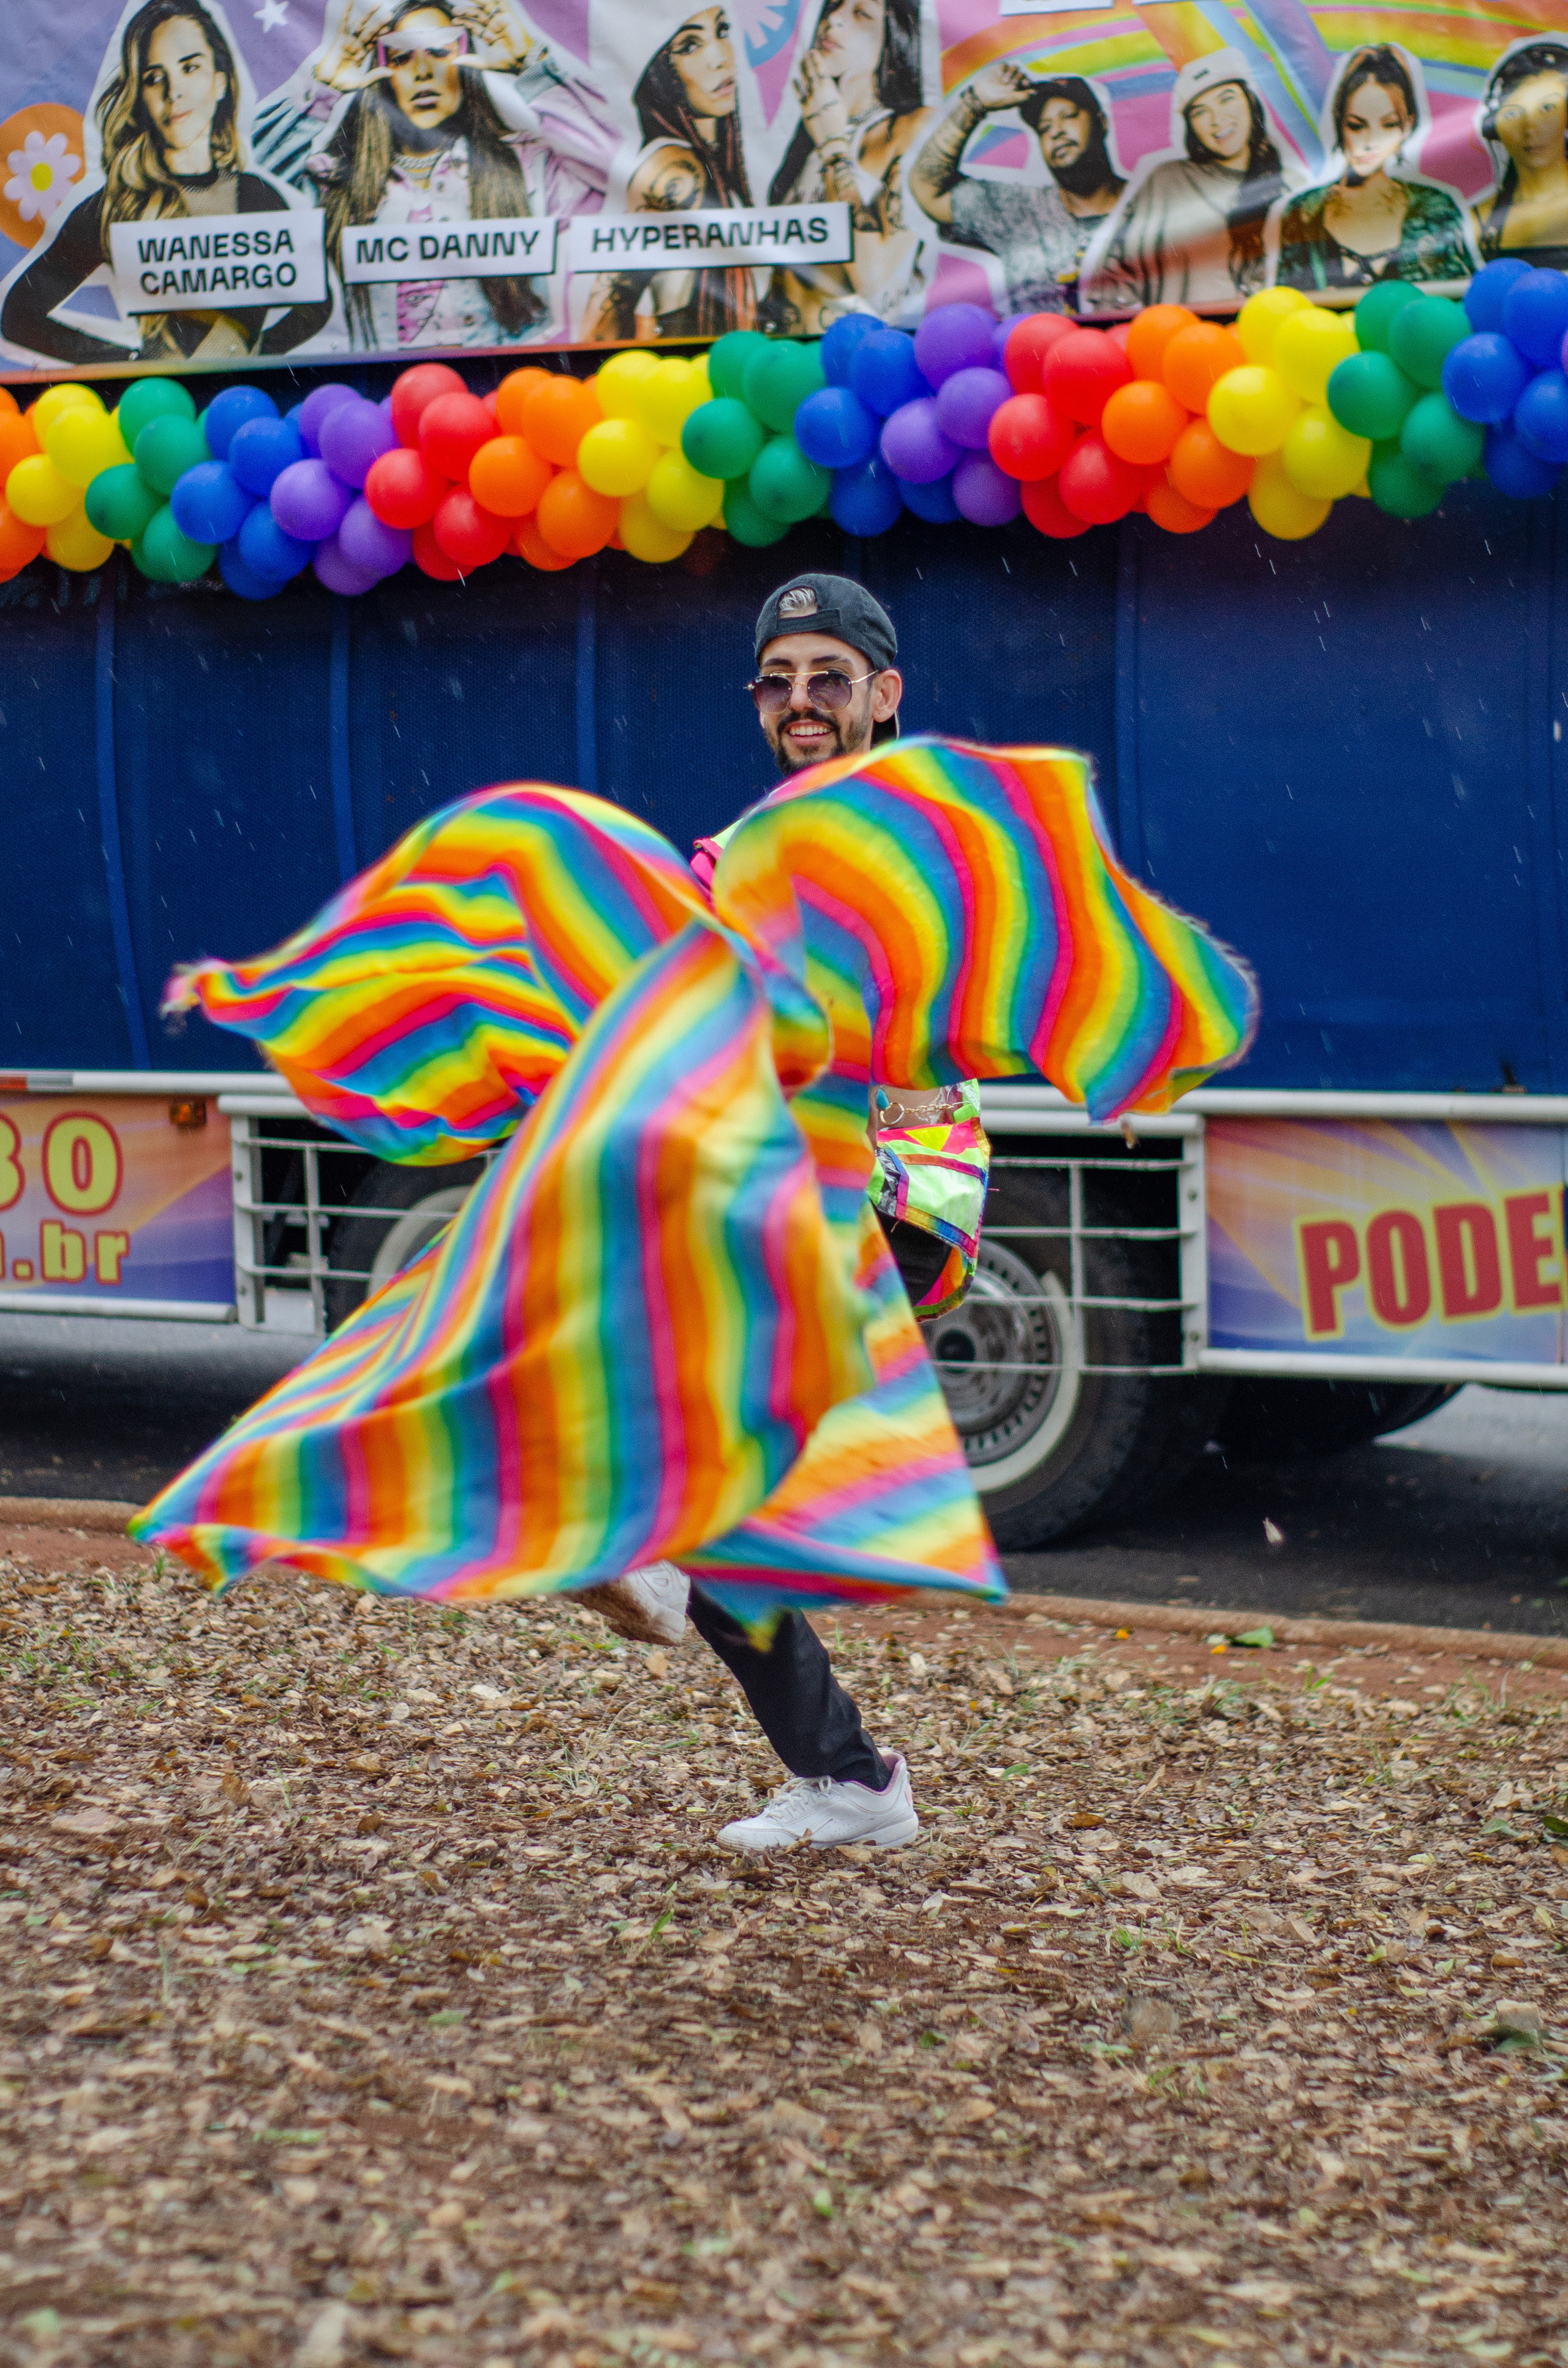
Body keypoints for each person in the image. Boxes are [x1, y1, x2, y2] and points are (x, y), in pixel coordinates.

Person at [592, 575, 936, 1854]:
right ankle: (847, 1781)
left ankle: (651, 1534)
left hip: (888, 1181)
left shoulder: (897, 819)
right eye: (776, 681)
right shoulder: (754, 837)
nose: (800, 703)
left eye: (827, 679)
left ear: (881, 695)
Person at [253, 0, 612, 350]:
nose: (422, 72)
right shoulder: (340, 179)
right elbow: (248, 173)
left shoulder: (529, 163)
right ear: (383, 75)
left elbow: (615, 169)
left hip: (508, 386)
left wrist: (531, 67)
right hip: (387, 395)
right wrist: (325, 85)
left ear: (468, 63)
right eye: (401, 57)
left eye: (440, 52)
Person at [1, 0, 331, 369]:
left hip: (243, 406)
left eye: (190, 68)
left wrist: (257, 354)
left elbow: (317, 303)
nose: (174, 91)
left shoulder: (258, 197)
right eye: (154, 78)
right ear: (139, 98)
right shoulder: (115, 205)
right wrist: (128, 362)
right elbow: (20, 317)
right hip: (155, 411)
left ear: (221, 81)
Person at [581, 5, 757, 344]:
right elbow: (601, 321)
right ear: (659, 71)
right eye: (690, 46)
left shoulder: (714, 163)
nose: (721, 58)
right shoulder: (677, 170)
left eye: (721, 31)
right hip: (689, 380)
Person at [761, 0, 932, 335]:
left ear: (893, 42)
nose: (833, 20)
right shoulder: (808, 135)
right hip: (788, 354)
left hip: (865, 355)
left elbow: (876, 285)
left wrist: (834, 149)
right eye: (834, 6)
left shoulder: (908, 130)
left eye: (861, 14)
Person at [1079, 48, 1290, 314]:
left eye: (1227, 99)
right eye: (1200, 112)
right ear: (1191, 127)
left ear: (1250, 102)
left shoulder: (1289, 188)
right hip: (1177, 343)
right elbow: (1113, 275)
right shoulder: (1166, 182)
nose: (1217, 120)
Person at [910, 65, 1123, 317]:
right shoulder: (1020, 209)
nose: (1056, 131)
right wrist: (974, 105)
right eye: (1044, 128)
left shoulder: (1158, 197)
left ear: (1102, 122)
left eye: (1069, 116)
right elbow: (927, 189)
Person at [1273, 45, 1474, 293]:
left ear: (1408, 126)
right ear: (1340, 121)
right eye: (1357, 126)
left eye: (1388, 125)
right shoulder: (1304, 213)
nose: (1370, 143)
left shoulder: (1434, 208)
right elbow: (1286, 306)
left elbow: (1459, 298)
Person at [1473, 37, 1568, 270]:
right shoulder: (1476, 220)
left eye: (1547, 108)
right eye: (1513, 113)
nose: (1530, 129)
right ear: (1494, 128)